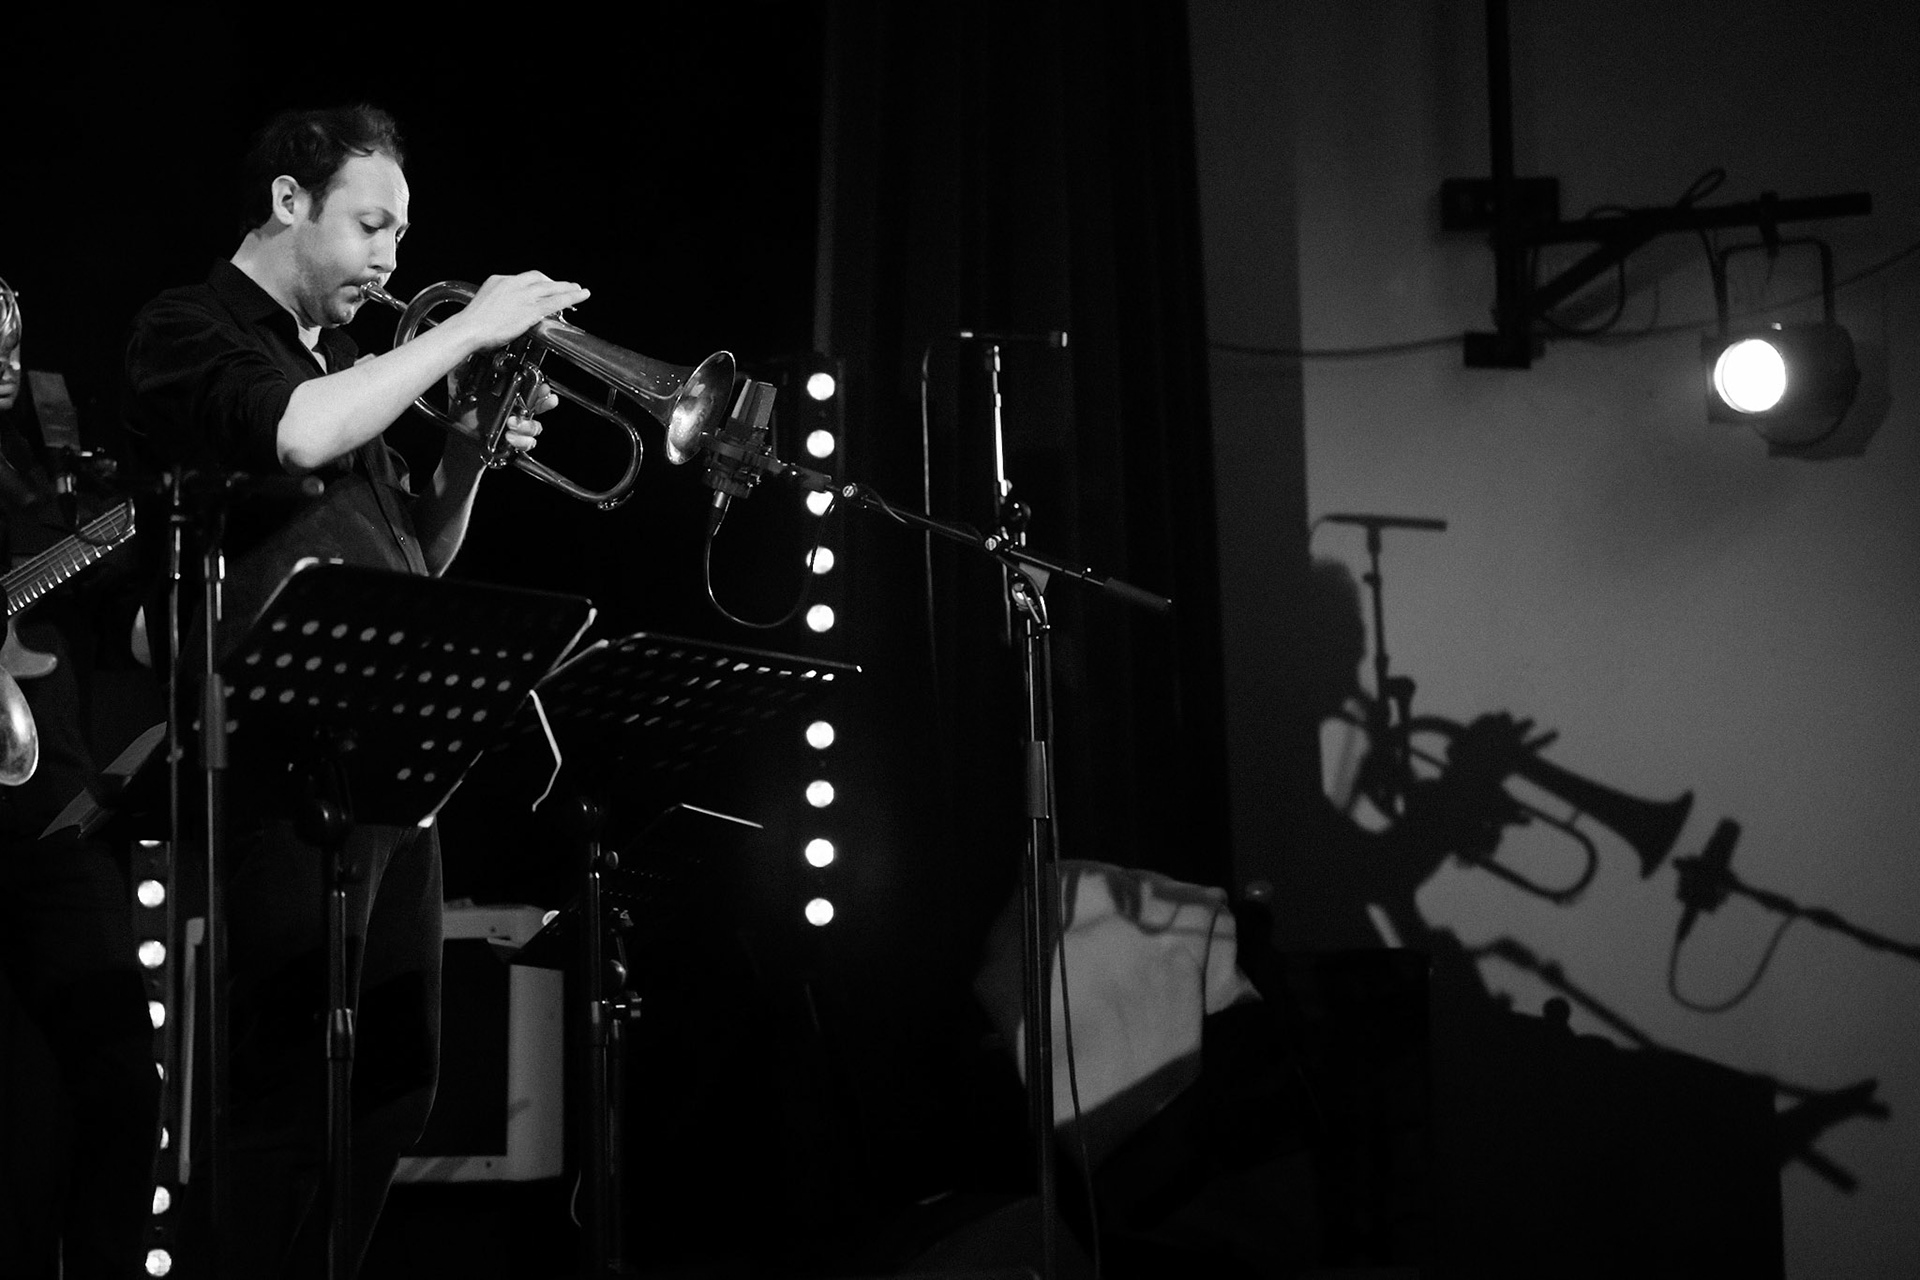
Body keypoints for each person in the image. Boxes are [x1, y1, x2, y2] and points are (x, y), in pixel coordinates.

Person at [122, 103, 588, 1277]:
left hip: (388, 762)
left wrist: (472, 447)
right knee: (277, 1100)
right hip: (272, 763)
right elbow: (291, 437)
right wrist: (461, 331)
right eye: (371, 226)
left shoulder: (347, 369)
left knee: (393, 1086)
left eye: (399, 230)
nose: (391, 260)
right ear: (289, 203)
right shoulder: (192, 330)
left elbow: (417, 560)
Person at [0, 303, 162, 1278]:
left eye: (12, 343)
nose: (8, 366)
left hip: (63, 832)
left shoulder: (57, 489)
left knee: (120, 1107)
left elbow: (132, 631)